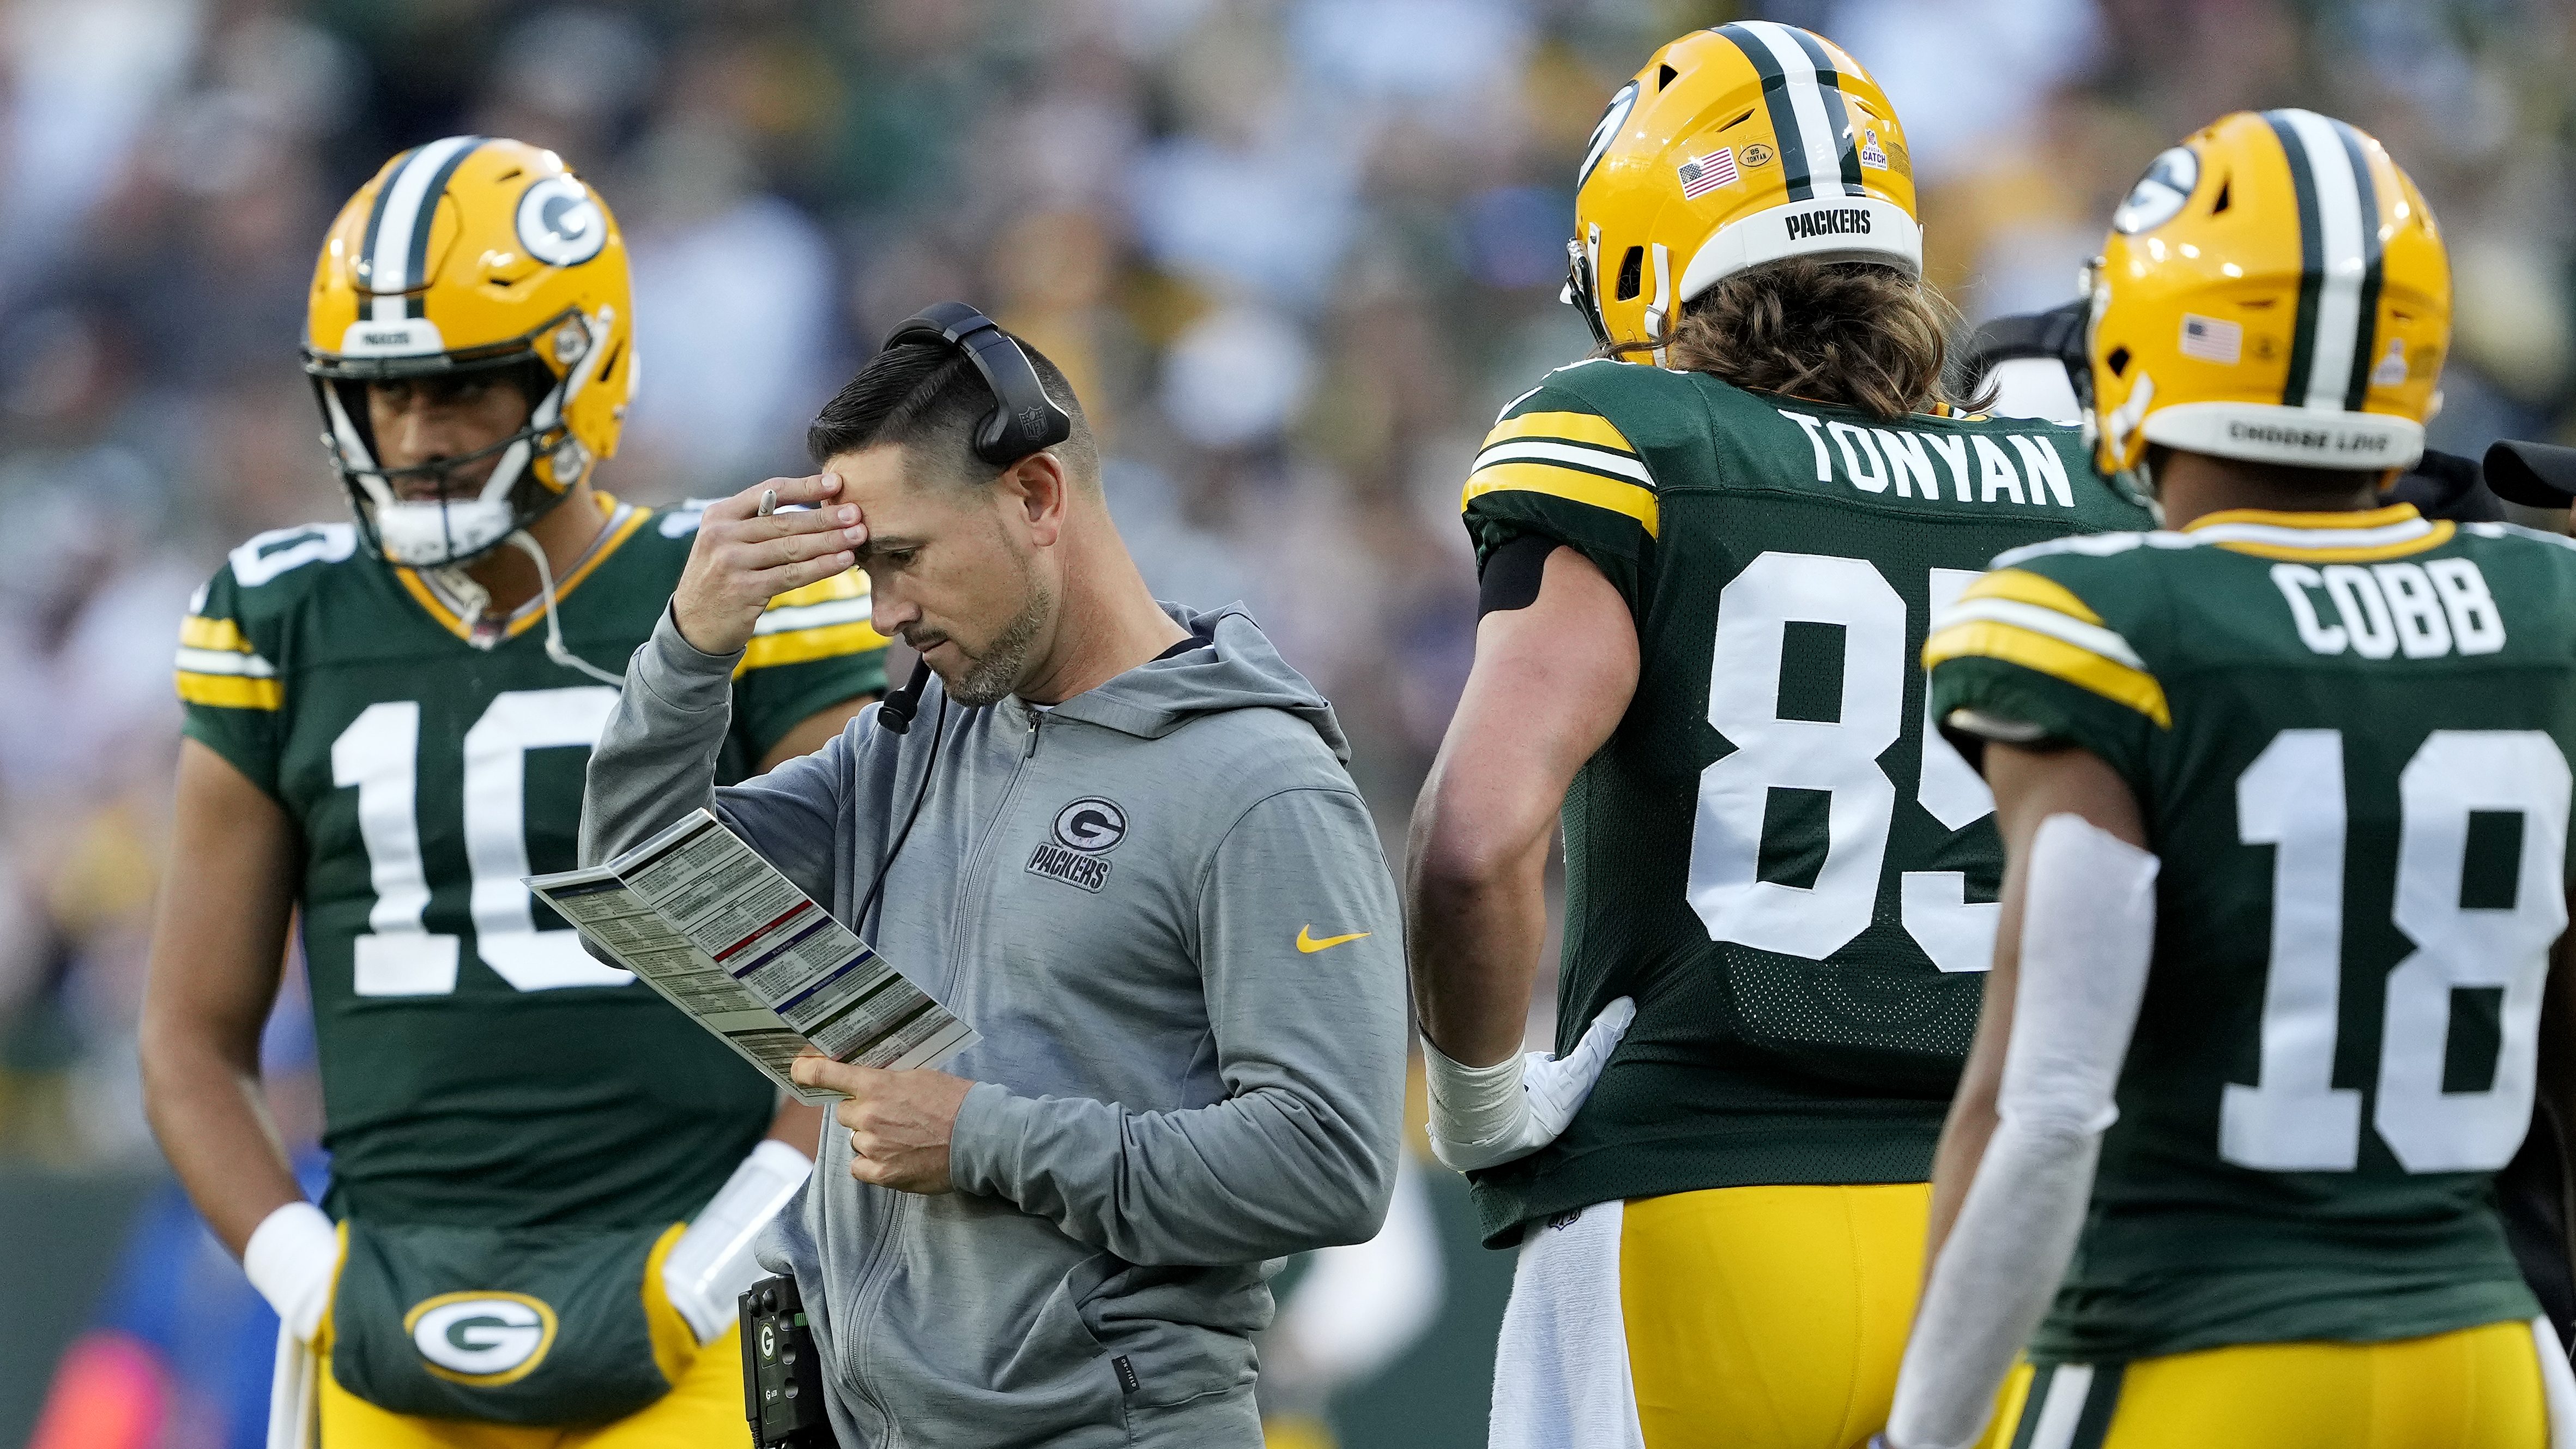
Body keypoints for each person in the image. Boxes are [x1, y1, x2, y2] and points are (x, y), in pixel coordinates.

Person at [1402, 22, 2156, 1449]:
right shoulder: (2081, 480)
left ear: (1636, 260)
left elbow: (1470, 843)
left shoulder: (1630, 432)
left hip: (1698, 1214)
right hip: (2004, 1241)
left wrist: (1480, 1110)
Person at [137, 137, 888, 1448]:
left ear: (579, 371)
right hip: (392, 1305)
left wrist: (718, 1267)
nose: (417, 437)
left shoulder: (744, 591)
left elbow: (862, 1006)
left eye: (464, 389)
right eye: (384, 395)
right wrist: (308, 1283)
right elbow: (192, 1037)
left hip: (697, 1291)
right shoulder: (281, 615)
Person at [578, 305, 1410, 1447]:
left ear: (1035, 496)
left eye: (902, 557)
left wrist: (978, 1136)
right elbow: (638, 892)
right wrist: (688, 647)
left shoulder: (1258, 784)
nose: (885, 612)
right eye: (866, 570)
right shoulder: (914, 742)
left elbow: (1328, 1163)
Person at [1888, 109, 2576, 1449]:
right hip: (2481, 1357)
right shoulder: (2542, 608)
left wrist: (1920, 1434)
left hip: (2194, 1357)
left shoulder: (2098, 617)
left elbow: (2041, 1109)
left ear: (2138, 335)